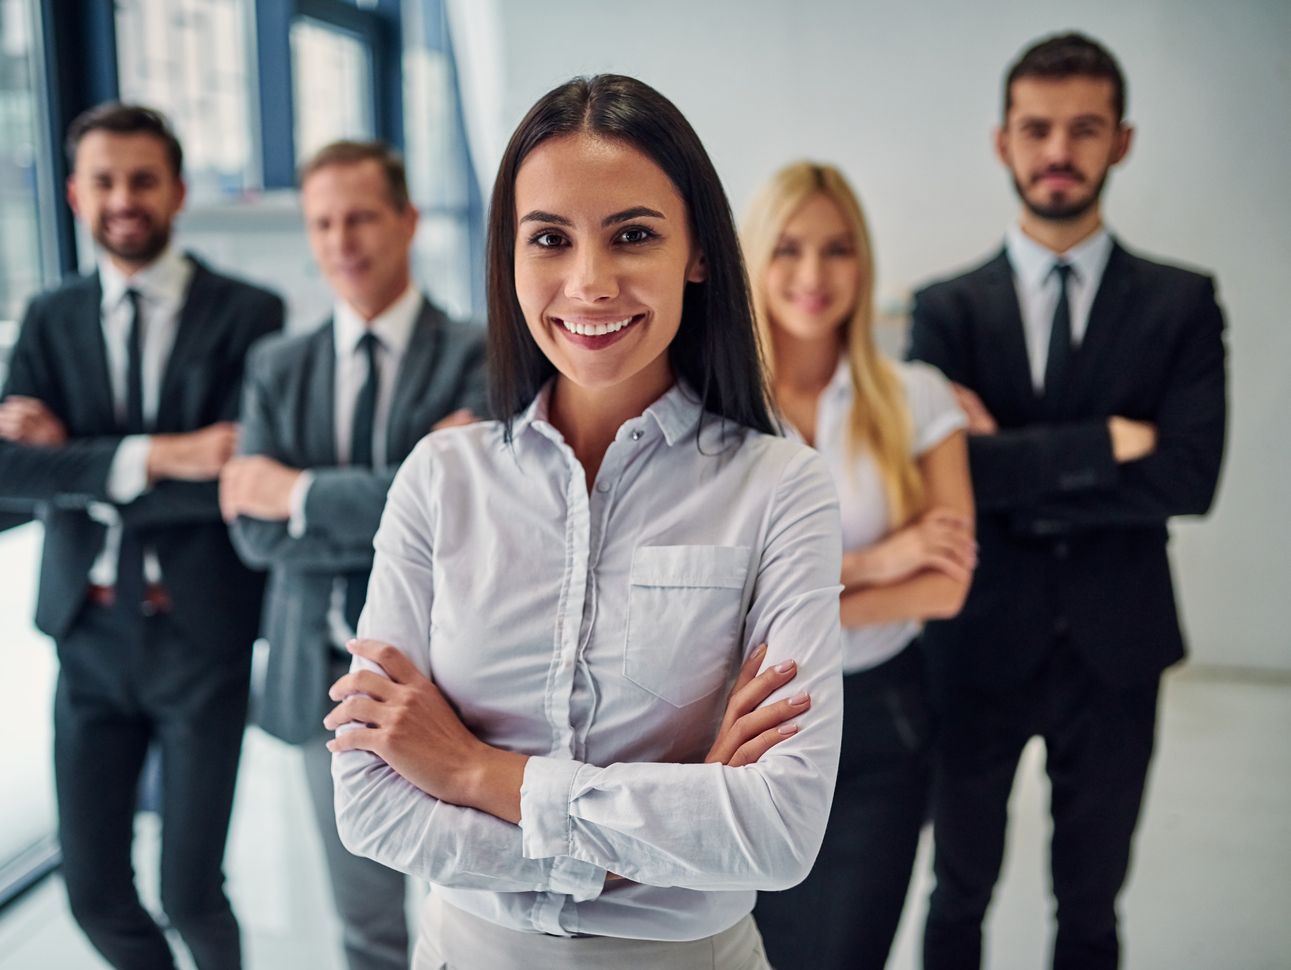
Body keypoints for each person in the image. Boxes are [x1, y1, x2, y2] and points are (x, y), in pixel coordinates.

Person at [324, 74, 844, 970]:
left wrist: (475, 774)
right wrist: (649, 838)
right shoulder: (440, 480)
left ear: (698, 254)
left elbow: (778, 830)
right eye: (550, 240)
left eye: (633, 236)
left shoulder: (780, 487)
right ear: (509, 259)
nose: (589, 283)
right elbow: (369, 802)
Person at [908, 33, 1227, 970]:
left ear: (1120, 142)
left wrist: (1007, 463)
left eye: (1083, 129)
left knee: (1091, 908)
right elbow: (946, 483)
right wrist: (1104, 449)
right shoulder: (945, 310)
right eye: (1037, 128)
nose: (1059, 151)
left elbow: (1190, 479)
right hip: (974, 643)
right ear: (1001, 142)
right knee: (957, 893)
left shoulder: (1183, 304)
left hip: (1117, 645)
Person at [0, 103, 283, 970]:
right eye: (104, 180)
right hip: (89, 637)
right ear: (75, 194)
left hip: (201, 640)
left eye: (142, 179)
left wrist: (79, 464)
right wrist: (166, 454)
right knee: (93, 892)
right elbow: (2, 472)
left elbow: (236, 481)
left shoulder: (247, 315)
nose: (124, 198)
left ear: (178, 190)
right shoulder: (51, 317)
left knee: (191, 893)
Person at [217, 140, 486, 970]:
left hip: (452, 682)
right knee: (364, 925)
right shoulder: (277, 365)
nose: (342, 241)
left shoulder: (482, 352)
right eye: (323, 222)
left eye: (361, 216)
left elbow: (465, 517)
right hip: (318, 681)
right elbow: (250, 533)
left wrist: (297, 495)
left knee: (473, 912)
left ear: (407, 221)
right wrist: (407, 478)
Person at [741, 162, 974, 970]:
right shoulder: (716, 410)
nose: (813, 275)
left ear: (862, 263)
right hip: (746, 722)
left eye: (836, 249)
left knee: (849, 954)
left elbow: (944, 585)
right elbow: (725, 599)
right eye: (789, 249)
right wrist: (882, 561)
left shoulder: (917, 396)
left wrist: (790, 598)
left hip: (881, 718)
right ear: (754, 260)